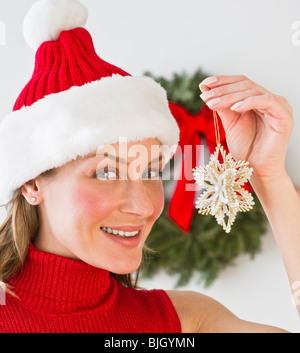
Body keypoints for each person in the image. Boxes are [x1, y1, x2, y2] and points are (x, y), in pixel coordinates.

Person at [0, 0, 297, 333]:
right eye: (106, 172)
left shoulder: (184, 321)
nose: (144, 206)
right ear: (32, 183)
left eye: (152, 172)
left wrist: (269, 177)